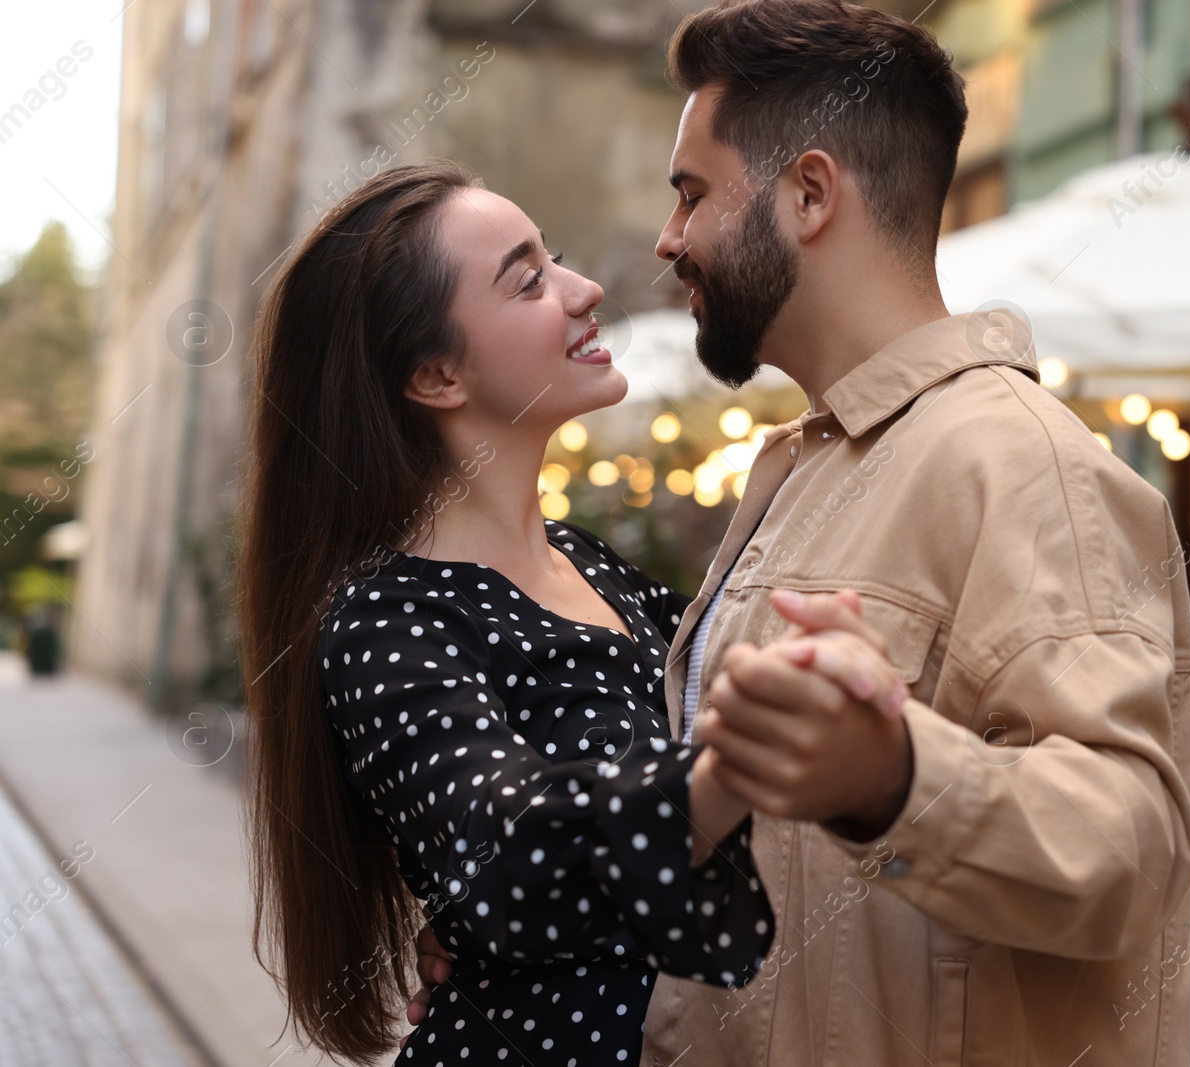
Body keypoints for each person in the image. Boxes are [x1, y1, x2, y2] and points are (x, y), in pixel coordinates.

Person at [417, 2, 1190, 1064]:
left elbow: (1127, 851)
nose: (667, 239)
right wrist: (539, 946)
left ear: (809, 193)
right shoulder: (801, 467)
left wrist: (890, 775)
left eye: (691, 193)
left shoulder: (1022, 465)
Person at [235, 161, 908, 1067]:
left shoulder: (591, 561)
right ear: (436, 374)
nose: (585, 289)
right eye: (530, 279)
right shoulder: (383, 618)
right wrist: (740, 760)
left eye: (553, 258)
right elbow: (502, 846)